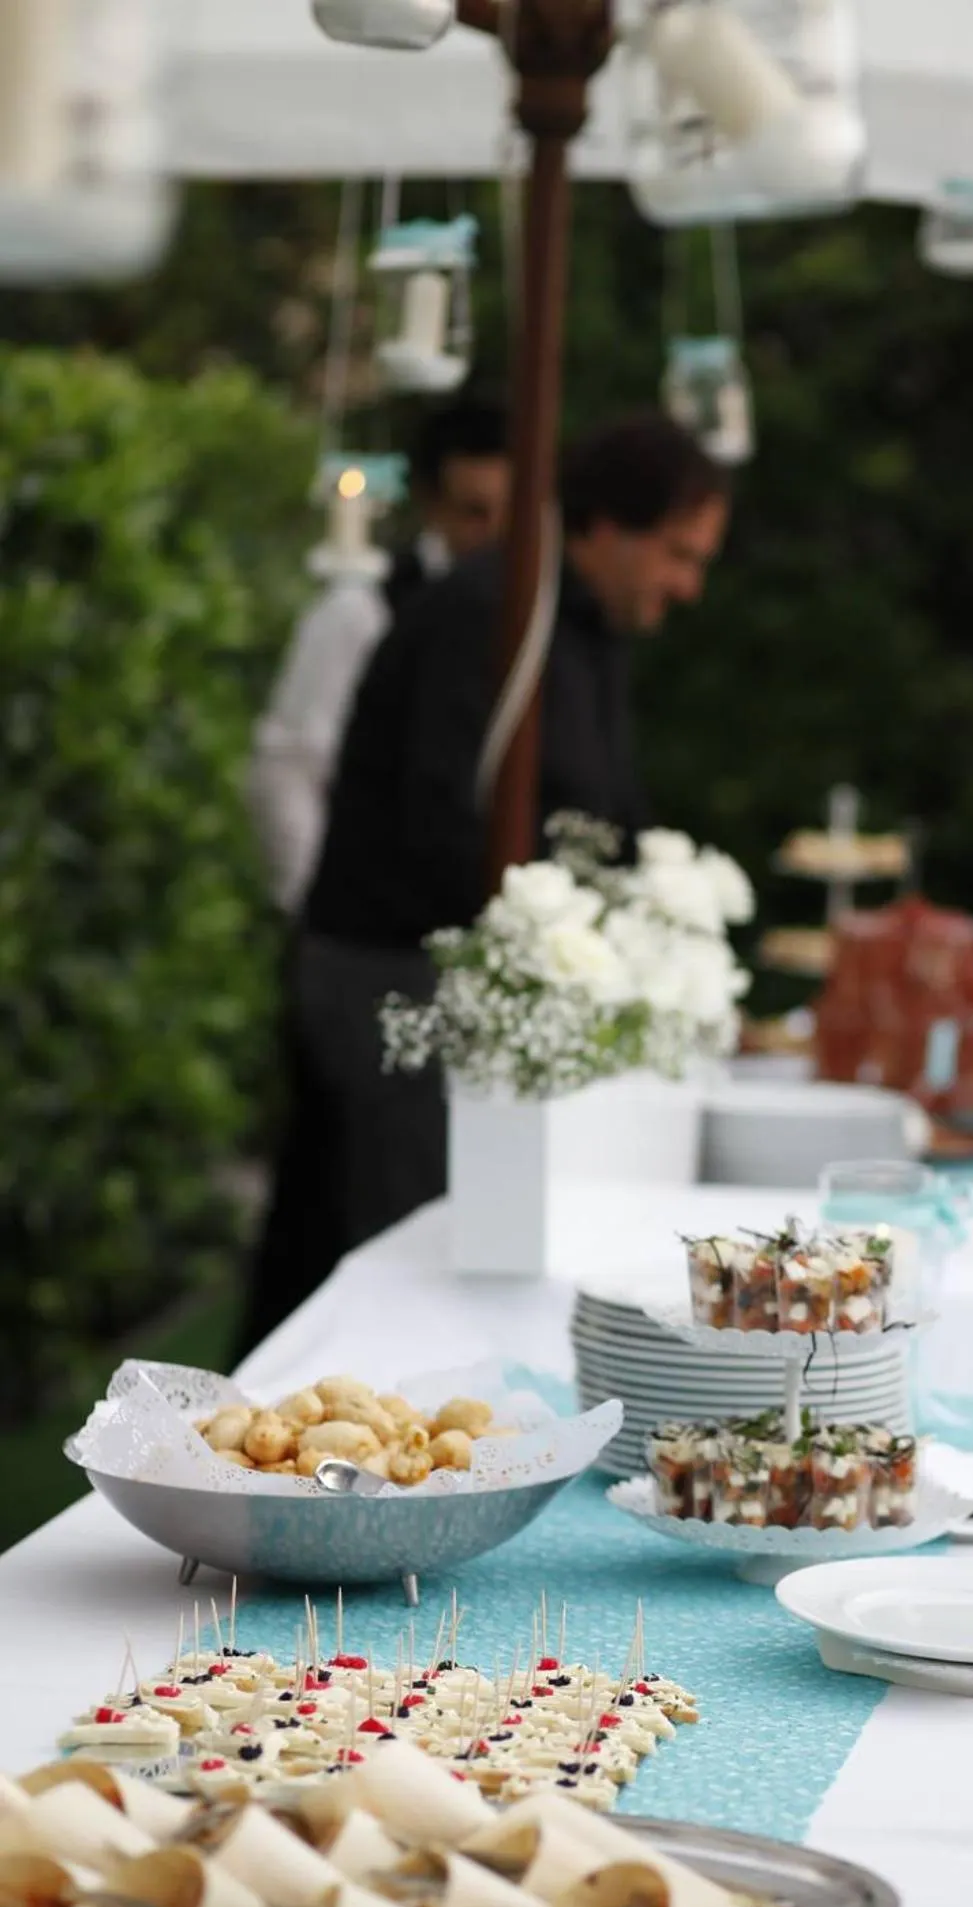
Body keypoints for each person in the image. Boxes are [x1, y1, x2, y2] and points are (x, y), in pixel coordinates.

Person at [239, 412, 730, 1347]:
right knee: (414, 1253)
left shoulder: (578, 627)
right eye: (676, 554)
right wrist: (559, 960)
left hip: (475, 985)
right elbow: (442, 823)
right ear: (604, 530)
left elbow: (609, 813)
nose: (686, 586)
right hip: (400, 979)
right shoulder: (490, 612)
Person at [247, 393, 512, 916]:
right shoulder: (363, 610)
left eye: (513, 515)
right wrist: (322, 902)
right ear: (432, 505)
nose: (496, 537)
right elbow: (287, 767)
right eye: (476, 513)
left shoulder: (538, 619)